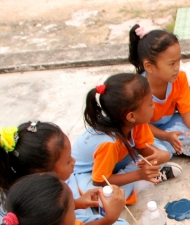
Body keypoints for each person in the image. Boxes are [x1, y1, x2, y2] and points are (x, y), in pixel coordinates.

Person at [0, 121, 137, 225]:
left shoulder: (18, 181)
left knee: (70, 181)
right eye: (67, 161)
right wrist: (109, 219)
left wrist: (77, 203)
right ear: (41, 174)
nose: (74, 161)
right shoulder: (45, 208)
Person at [73, 73, 181, 205]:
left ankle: (137, 180)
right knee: (108, 199)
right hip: (88, 174)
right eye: (150, 103)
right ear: (131, 116)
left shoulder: (136, 122)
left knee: (162, 151)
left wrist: (162, 155)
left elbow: (145, 151)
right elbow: (100, 180)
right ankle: (140, 183)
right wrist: (140, 175)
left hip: (114, 161)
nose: (154, 106)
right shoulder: (109, 143)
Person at [129, 24, 190, 161]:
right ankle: (175, 146)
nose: (177, 68)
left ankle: (174, 147)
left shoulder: (180, 78)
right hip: (146, 128)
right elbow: (141, 125)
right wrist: (166, 136)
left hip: (170, 123)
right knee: (151, 146)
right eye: (171, 64)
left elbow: (186, 110)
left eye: (179, 61)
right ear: (149, 66)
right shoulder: (138, 89)